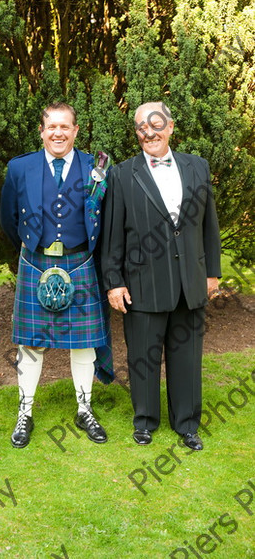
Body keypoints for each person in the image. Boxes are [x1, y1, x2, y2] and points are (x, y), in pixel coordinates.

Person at [101, 101, 221, 450]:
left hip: (190, 281)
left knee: (187, 357)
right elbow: (112, 236)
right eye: (141, 126)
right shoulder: (122, 174)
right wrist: (114, 281)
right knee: (143, 357)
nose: (148, 132)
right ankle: (145, 421)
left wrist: (212, 273)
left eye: (155, 124)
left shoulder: (198, 167)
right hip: (141, 284)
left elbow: (209, 225)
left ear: (170, 127)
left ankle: (187, 424)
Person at [0, 102, 113, 448]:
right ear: (42, 131)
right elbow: (8, 219)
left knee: (84, 344)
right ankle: (25, 411)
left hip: (80, 263)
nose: (58, 133)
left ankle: (84, 408)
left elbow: (106, 217)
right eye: (51, 127)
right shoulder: (21, 168)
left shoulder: (97, 166)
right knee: (31, 344)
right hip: (36, 263)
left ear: (76, 131)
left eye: (65, 127)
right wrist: (29, 245)